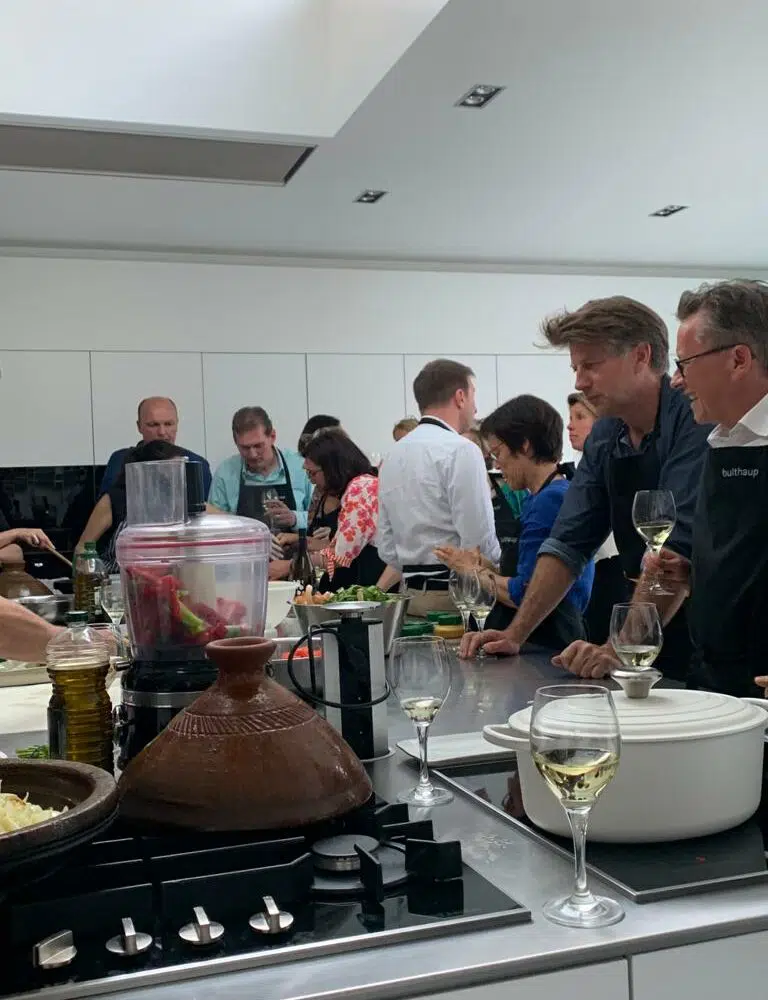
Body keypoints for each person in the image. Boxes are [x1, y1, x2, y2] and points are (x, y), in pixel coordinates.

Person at [461, 296, 711, 678]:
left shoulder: (695, 417)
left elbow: (673, 547)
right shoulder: (606, 434)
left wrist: (621, 648)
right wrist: (515, 634)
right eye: (576, 368)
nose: (579, 382)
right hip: (642, 613)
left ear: (641, 356)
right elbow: (567, 543)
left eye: (591, 365)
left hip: (700, 627)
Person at [646, 280, 768, 697]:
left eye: (685, 364)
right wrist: (701, 574)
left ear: (738, 359)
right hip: (714, 683)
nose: (676, 381)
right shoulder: (721, 441)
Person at [436, 396, 594, 649]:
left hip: (546, 642)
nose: (497, 464)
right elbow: (530, 572)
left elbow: (523, 592)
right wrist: (485, 565)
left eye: (498, 453)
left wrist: (472, 571)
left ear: (525, 446)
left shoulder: (550, 501)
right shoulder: (544, 496)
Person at [376, 359, 500, 617]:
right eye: (473, 395)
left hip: (409, 597)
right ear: (460, 397)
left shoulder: (392, 456)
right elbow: (479, 544)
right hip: (457, 596)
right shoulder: (462, 450)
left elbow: (387, 547)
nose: (476, 408)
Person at [208, 407, 312, 579]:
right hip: (243, 573)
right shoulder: (226, 473)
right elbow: (214, 527)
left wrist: (294, 518)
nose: (253, 454)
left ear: (272, 436)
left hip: (296, 570)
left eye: (258, 446)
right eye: (245, 448)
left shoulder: (300, 468)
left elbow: (320, 521)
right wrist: (251, 538)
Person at [76, 441, 188, 569]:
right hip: (117, 576)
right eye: (170, 472)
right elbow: (82, 548)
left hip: (166, 576)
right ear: (148, 473)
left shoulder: (180, 501)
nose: (174, 479)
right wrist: (89, 574)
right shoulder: (114, 500)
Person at [567, 391, 622, 644]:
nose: (570, 425)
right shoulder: (580, 470)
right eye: (570, 418)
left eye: (580, 417)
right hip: (589, 568)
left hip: (611, 570)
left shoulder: (613, 465)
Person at [300, 428, 385, 589]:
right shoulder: (362, 484)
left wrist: (292, 565)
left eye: (312, 473)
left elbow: (340, 555)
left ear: (332, 468)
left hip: (366, 582)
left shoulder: (360, 489)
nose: (311, 480)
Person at [98, 397, 211, 496]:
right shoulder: (120, 460)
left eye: (168, 424)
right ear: (139, 426)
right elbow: (106, 507)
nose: (162, 432)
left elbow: (206, 510)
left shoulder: (196, 464)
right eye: (153, 425)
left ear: (177, 424)